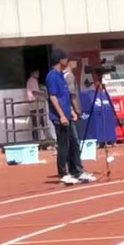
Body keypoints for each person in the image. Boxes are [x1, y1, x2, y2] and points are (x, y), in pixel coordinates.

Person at [46, 49, 96, 185]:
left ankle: (77, 171)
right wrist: (61, 115)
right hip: (59, 117)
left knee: (74, 143)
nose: (67, 61)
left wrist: (71, 110)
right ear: (60, 60)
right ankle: (63, 173)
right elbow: (53, 97)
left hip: (67, 114)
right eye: (66, 59)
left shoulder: (61, 75)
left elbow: (65, 96)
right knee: (64, 145)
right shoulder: (52, 76)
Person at [26, 69, 48, 142]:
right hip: (35, 105)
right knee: (39, 121)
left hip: (35, 105)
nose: (38, 74)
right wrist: (44, 94)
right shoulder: (33, 80)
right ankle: (42, 138)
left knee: (38, 122)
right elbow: (35, 91)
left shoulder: (31, 81)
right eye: (37, 73)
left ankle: (38, 138)